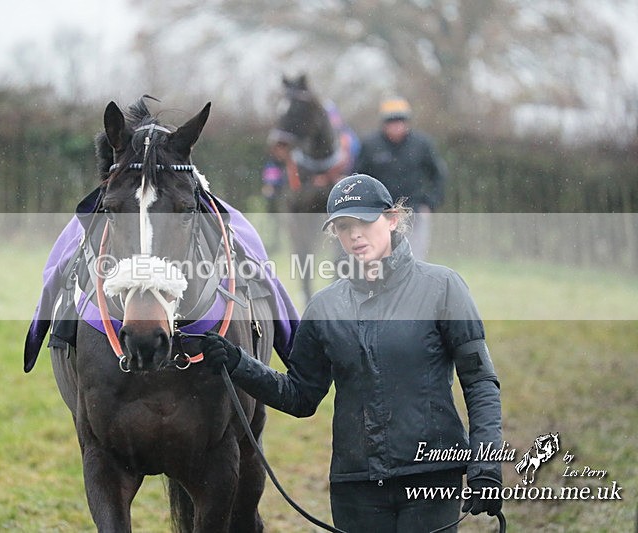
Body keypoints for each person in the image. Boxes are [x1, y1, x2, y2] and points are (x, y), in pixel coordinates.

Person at [200, 174, 502, 533]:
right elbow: (301, 396)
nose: (354, 234)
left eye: (364, 221)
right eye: (344, 226)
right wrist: (239, 364)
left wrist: (486, 468)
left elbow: (480, 382)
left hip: (431, 477)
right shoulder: (325, 307)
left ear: (391, 219)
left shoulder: (443, 287)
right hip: (355, 486)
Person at [353, 97, 448, 260]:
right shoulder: (370, 145)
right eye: (391, 121)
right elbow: (358, 178)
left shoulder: (422, 144)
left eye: (400, 120)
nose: (396, 125)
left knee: (413, 260)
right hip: (379, 215)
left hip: (413, 213)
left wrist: (430, 203)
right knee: (379, 260)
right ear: (383, 123)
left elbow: (439, 175)